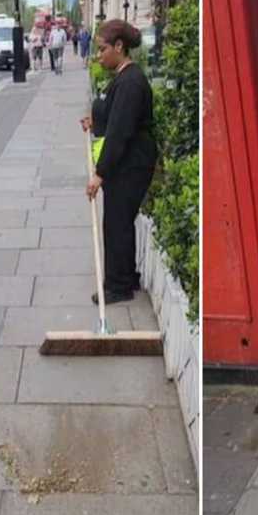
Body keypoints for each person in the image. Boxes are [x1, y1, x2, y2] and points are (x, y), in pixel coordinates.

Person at [80, 20, 158, 305]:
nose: (98, 56)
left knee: (116, 222)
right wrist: (95, 120)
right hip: (125, 162)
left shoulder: (131, 82)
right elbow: (113, 116)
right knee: (121, 221)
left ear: (119, 47)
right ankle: (127, 276)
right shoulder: (124, 77)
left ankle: (118, 286)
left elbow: (121, 132)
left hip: (131, 163)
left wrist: (100, 175)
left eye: (102, 50)